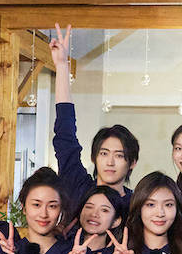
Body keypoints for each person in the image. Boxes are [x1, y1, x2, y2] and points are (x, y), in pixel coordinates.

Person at [49, 25, 138, 215]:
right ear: (94, 157)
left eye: (119, 155)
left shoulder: (137, 205)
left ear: (132, 163)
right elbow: (65, 134)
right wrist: (62, 66)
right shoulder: (78, 187)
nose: (110, 162)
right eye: (104, 153)